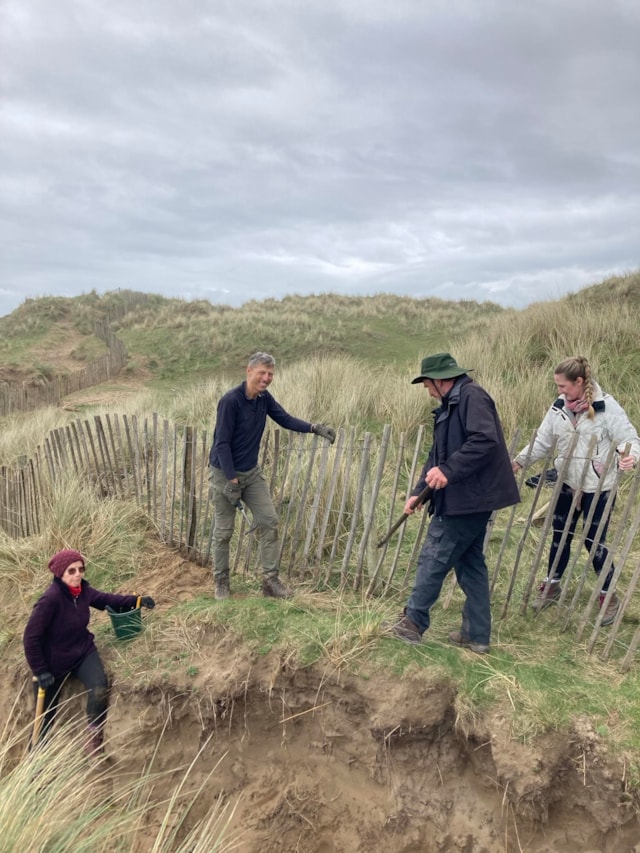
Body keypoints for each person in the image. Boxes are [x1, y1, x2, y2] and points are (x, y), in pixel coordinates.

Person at [386, 353, 519, 653]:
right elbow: (437, 456)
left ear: (440, 379)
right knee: (470, 565)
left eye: (427, 383)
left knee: (433, 556)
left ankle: (412, 623)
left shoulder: (472, 397)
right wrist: (419, 492)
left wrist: (449, 471)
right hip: (467, 496)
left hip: (469, 498)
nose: (426, 390)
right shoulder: (451, 404)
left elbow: (485, 440)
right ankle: (477, 635)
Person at [512, 356, 640, 623]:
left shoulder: (607, 407)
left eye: (563, 386)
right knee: (560, 536)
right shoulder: (559, 407)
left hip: (599, 488)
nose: (559, 391)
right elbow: (543, 441)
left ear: (579, 382)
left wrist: (631, 456)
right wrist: (518, 462)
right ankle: (552, 587)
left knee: (594, 543)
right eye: (557, 386)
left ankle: (609, 597)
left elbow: (630, 438)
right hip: (566, 484)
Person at [209, 351, 336, 600]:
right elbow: (221, 444)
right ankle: (221, 580)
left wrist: (314, 428)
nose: (266, 378)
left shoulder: (264, 399)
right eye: (262, 373)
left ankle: (270, 581)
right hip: (225, 474)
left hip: (251, 473)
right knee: (224, 531)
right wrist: (231, 480)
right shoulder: (230, 401)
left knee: (269, 521)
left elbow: (285, 419)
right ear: (249, 371)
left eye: (270, 374)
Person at [23, 549, 155, 754]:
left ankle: (94, 739)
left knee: (99, 686)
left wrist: (136, 601)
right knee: (43, 721)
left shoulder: (83, 591)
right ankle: (35, 764)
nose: (77, 574)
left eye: (81, 569)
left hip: (82, 652)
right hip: (53, 662)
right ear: (60, 574)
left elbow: (106, 600)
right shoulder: (49, 600)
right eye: (71, 571)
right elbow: (30, 638)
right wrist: (40, 671)